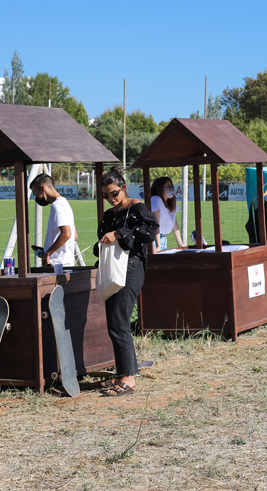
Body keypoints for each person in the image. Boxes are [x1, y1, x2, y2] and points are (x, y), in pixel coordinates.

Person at [94, 169, 158, 397]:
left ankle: (129, 377)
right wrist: (103, 241)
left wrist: (119, 233)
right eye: (105, 196)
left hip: (131, 268)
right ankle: (123, 372)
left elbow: (150, 232)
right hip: (113, 268)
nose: (110, 199)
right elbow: (101, 240)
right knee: (114, 323)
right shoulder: (109, 214)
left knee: (119, 322)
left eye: (113, 193)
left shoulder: (137, 207)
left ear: (123, 187)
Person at [30, 173, 78, 271]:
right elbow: (75, 236)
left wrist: (48, 254)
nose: (37, 198)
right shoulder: (65, 203)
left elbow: (67, 234)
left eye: (36, 194)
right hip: (66, 263)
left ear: (43, 188)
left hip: (58, 265)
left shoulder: (56, 205)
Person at [150, 177, 186, 251]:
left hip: (163, 239)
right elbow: (155, 224)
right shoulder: (156, 199)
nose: (171, 189)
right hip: (155, 240)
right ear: (160, 188)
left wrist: (180, 244)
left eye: (171, 186)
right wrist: (158, 245)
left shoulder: (171, 204)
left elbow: (174, 224)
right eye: (167, 186)